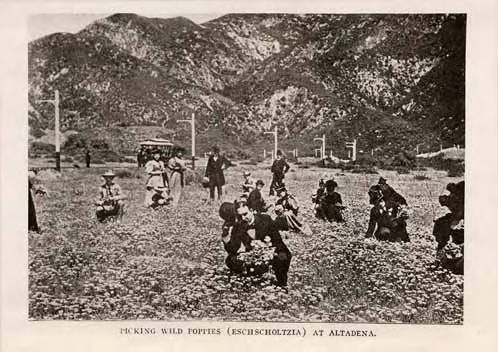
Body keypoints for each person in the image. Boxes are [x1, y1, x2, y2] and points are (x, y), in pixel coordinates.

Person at [234, 201, 293, 287]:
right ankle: (247, 280)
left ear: (252, 210)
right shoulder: (238, 225)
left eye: (245, 214)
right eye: (240, 216)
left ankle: (282, 283)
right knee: (231, 260)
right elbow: (234, 247)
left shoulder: (266, 219)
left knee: (284, 256)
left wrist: (267, 248)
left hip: (269, 249)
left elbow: (277, 240)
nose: (243, 218)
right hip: (250, 253)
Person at [432, 181, 464, 274]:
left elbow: (457, 207)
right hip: (455, 218)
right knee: (441, 224)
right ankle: (440, 257)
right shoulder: (456, 194)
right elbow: (452, 204)